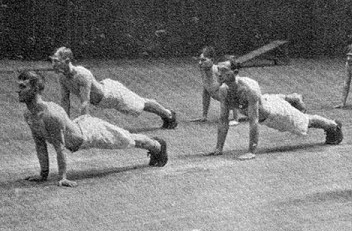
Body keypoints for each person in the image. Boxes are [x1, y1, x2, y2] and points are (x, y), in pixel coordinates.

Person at [17, 70, 168, 188]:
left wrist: (63, 177)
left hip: (92, 133)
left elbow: (59, 148)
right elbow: (40, 144)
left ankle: (158, 146)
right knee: (126, 139)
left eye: (23, 87)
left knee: (127, 140)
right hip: (79, 130)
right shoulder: (29, 114)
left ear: (35, 89)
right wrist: (43, 175)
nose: (18, 90)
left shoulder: (50, 114)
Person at [206, 57, 343, 160]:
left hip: (275, 114)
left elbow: (254, 121)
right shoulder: (224, 90)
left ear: (235, 72)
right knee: (274, 101)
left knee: (306, 122)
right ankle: (291, 98)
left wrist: (251, 151)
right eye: (218, 70)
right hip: (267, 100)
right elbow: (223, 119)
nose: (219, 74)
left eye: (224, 71)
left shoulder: (249, 89)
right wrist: (219, 148)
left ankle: (334, 125)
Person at [50, 46, 178, 129]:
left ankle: (169, 115)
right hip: (104, 98)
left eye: (56, 61)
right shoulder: (62, 77)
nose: (53, 64)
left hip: (112, 95)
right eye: (53, 61)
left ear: (67, 61)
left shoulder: (82, 74)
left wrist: (84, 127)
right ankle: (167, 114)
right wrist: (65, 124)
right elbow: (65, 101)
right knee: (140, 102)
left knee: (141, 104)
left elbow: (85, 102)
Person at [193, 45, 240, 125]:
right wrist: (204, 116)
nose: (200, 63)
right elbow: (206, 93)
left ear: (212, 60)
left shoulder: (219, 72)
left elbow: (235, 90)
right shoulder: (203, 70)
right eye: (199, 60)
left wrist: (236, 119)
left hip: (244, 104)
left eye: (203, 60)